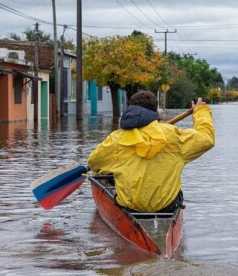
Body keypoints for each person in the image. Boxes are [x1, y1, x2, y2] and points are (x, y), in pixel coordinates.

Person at [87, 91, 215, 213]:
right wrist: (200, 111)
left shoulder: (116, 139)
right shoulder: (174, 135)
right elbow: (207, 138)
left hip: (129, 207)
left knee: (107, 173)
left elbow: (93, 163)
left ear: (131, 109)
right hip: (166, 207)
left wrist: (108, 169)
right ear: (155, 111)